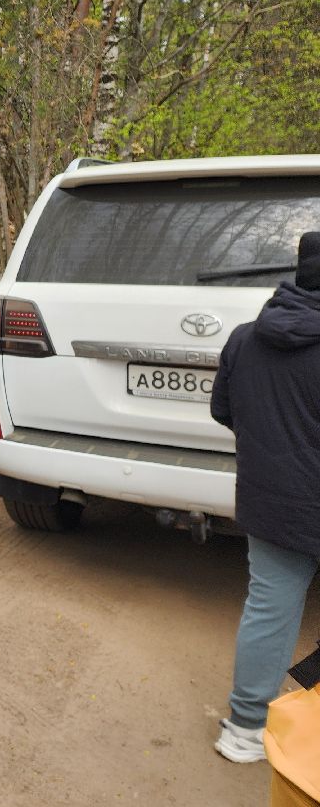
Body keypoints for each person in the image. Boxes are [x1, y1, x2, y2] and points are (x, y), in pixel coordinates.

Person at [210, 231, 320, 765]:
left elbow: (223, 411)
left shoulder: (245, 338)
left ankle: (245, 728)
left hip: (272, 499)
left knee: (270, 608)